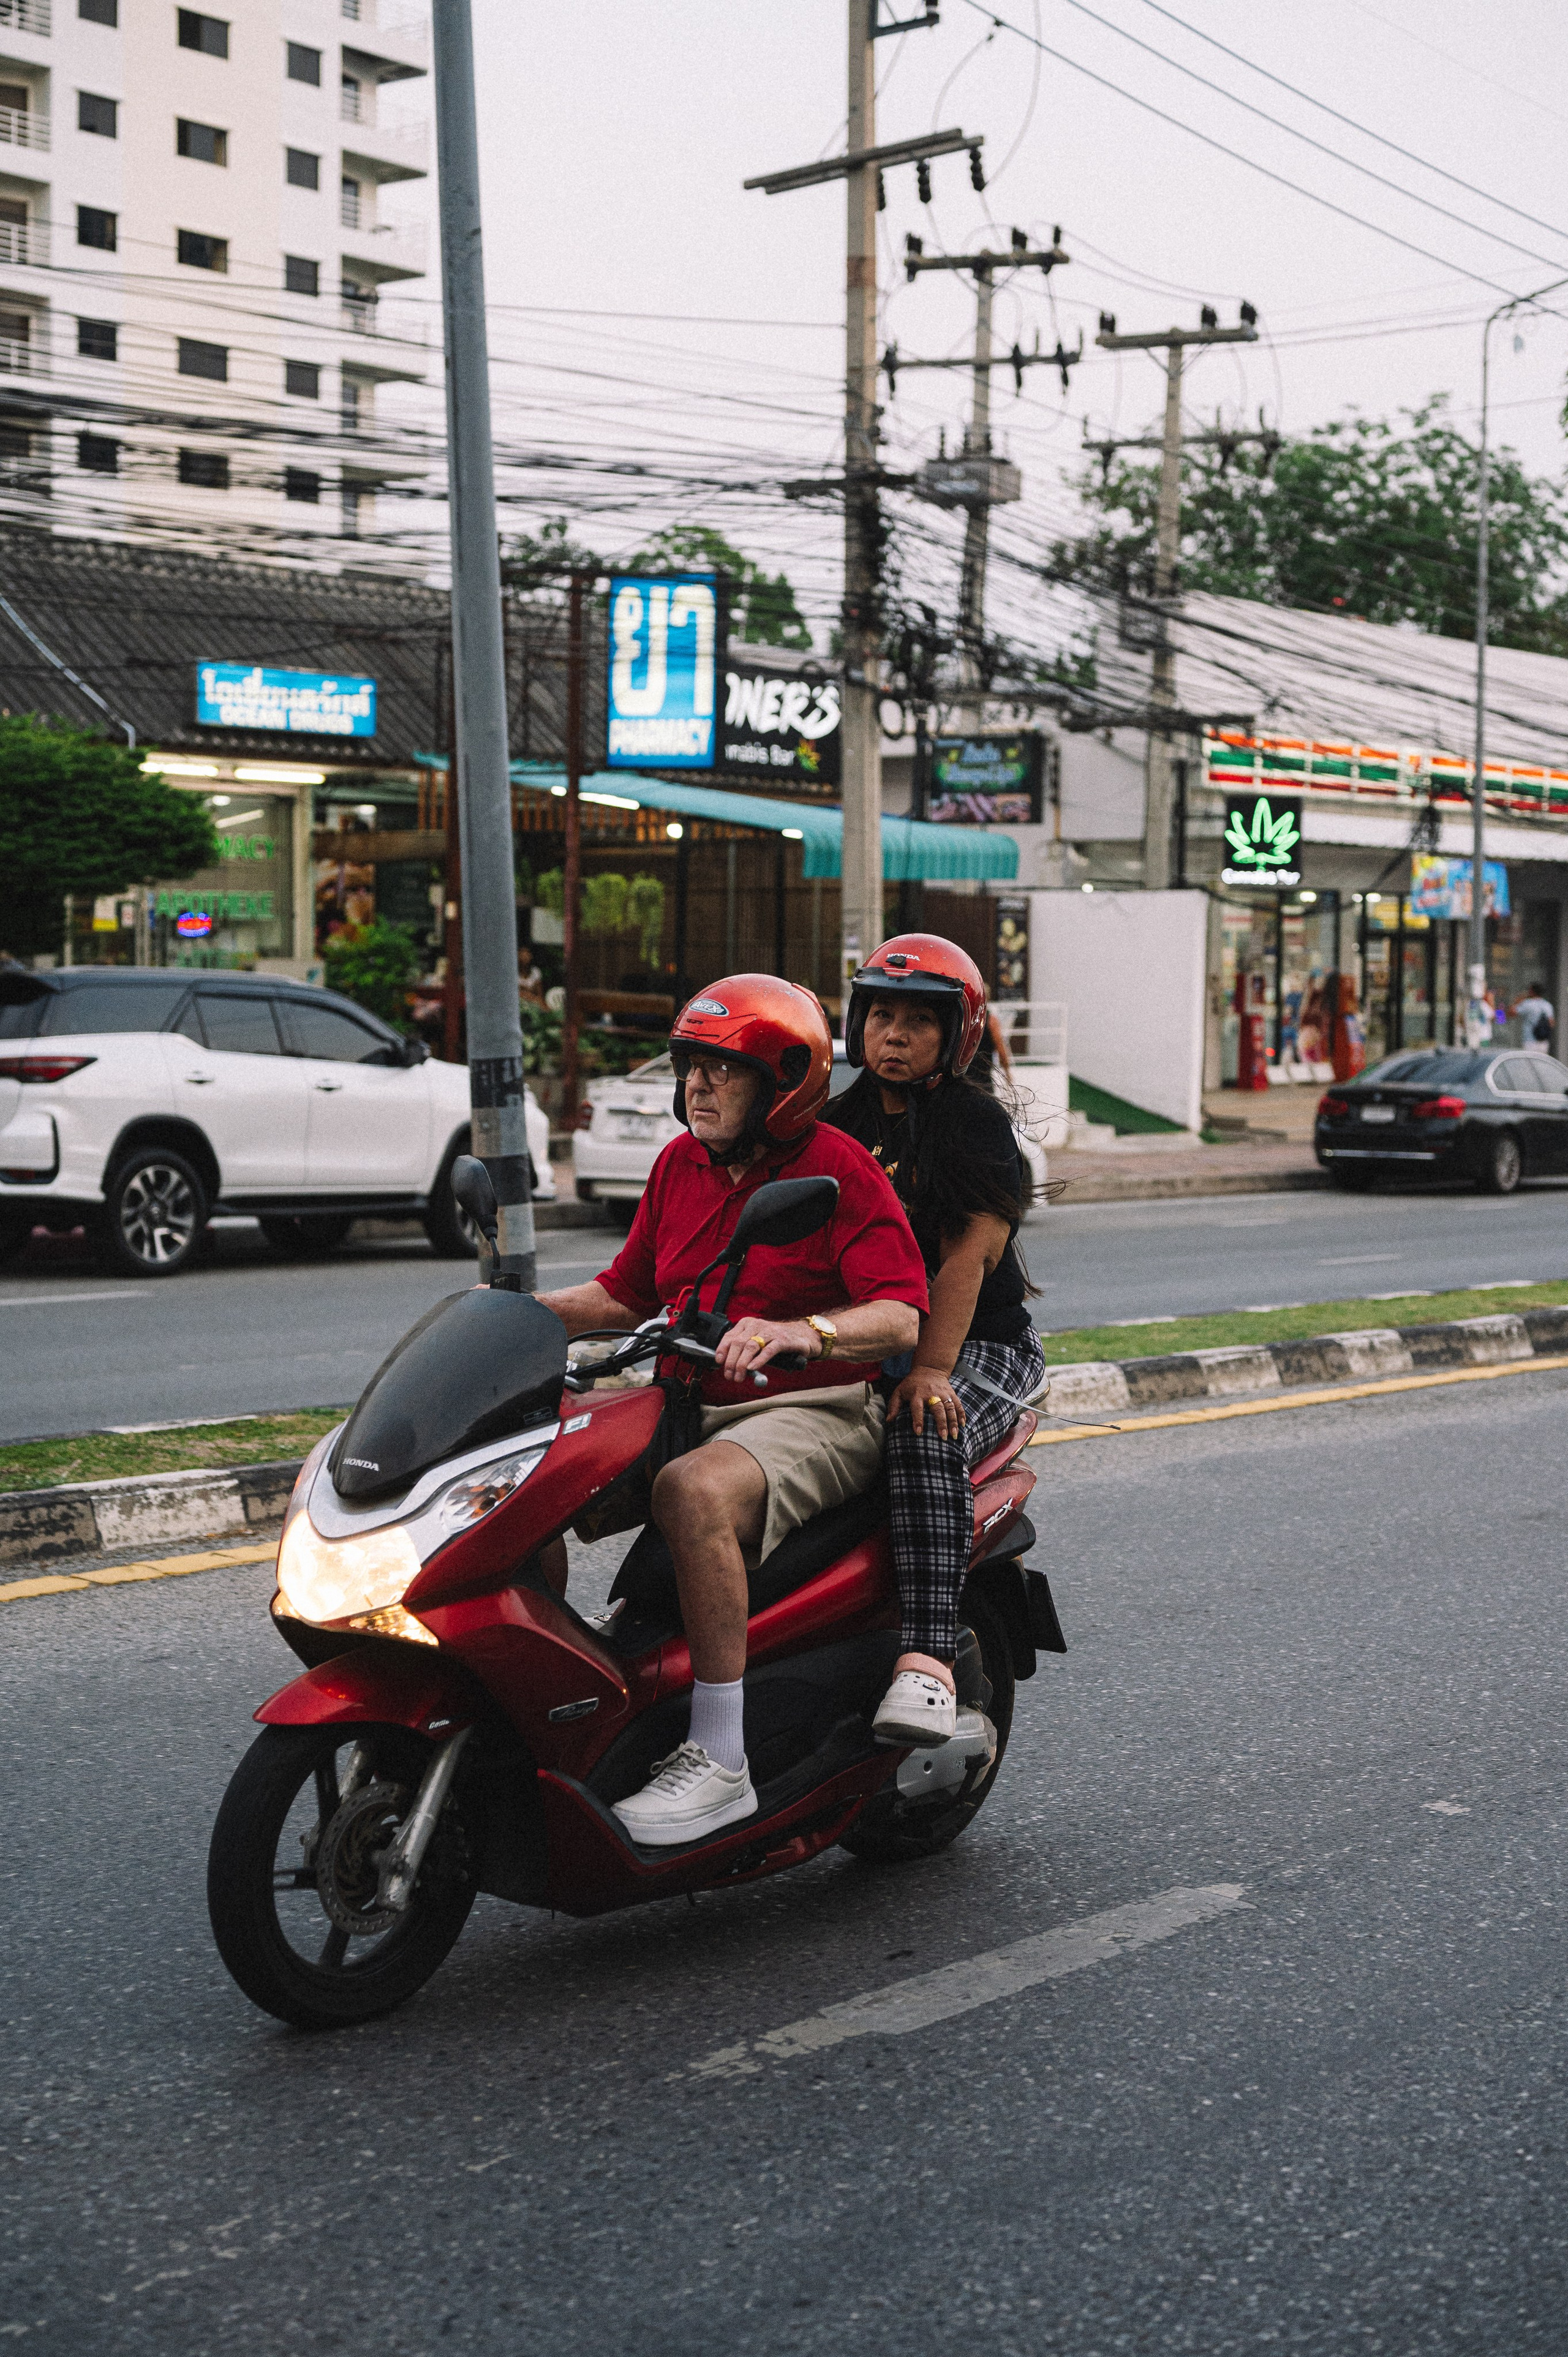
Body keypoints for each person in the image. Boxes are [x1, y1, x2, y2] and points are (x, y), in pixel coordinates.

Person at [538, 975, 926, 1845]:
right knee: (521, 1470)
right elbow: (626, 1292)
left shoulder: (838, 1168)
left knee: (693, 1491)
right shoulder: (678, 1165)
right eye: (692, 1068)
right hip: (688, 1390)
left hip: (815, 1405)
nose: (698, 1086)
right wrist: (517, 1314)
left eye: (723, 1070)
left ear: (783, 1084)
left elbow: (901, 1313)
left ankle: (719, 1759)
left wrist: (804, 1332)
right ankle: (557, 1702)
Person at [823, 933, 1046, 1749]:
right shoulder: (833, 1122)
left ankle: (927, 1661)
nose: (895, 1034)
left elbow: (966, 1259)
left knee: (924, 1427)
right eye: (881, 1014)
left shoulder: (974, 1124)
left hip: (977, 1348)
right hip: (864, 1341)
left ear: (957, 1033)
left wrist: (930, 1370)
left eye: (919, 1021)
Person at [1513, 980, 1554, 1052]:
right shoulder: (1547, 1005)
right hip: (1543, 1041)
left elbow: (1512, 1013)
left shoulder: (1528, 1004)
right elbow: (1551, 1023)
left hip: (1529, 1040)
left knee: (1528, 1059)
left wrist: (1519, 999)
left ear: (1532, 991)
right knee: (1541, 1059)